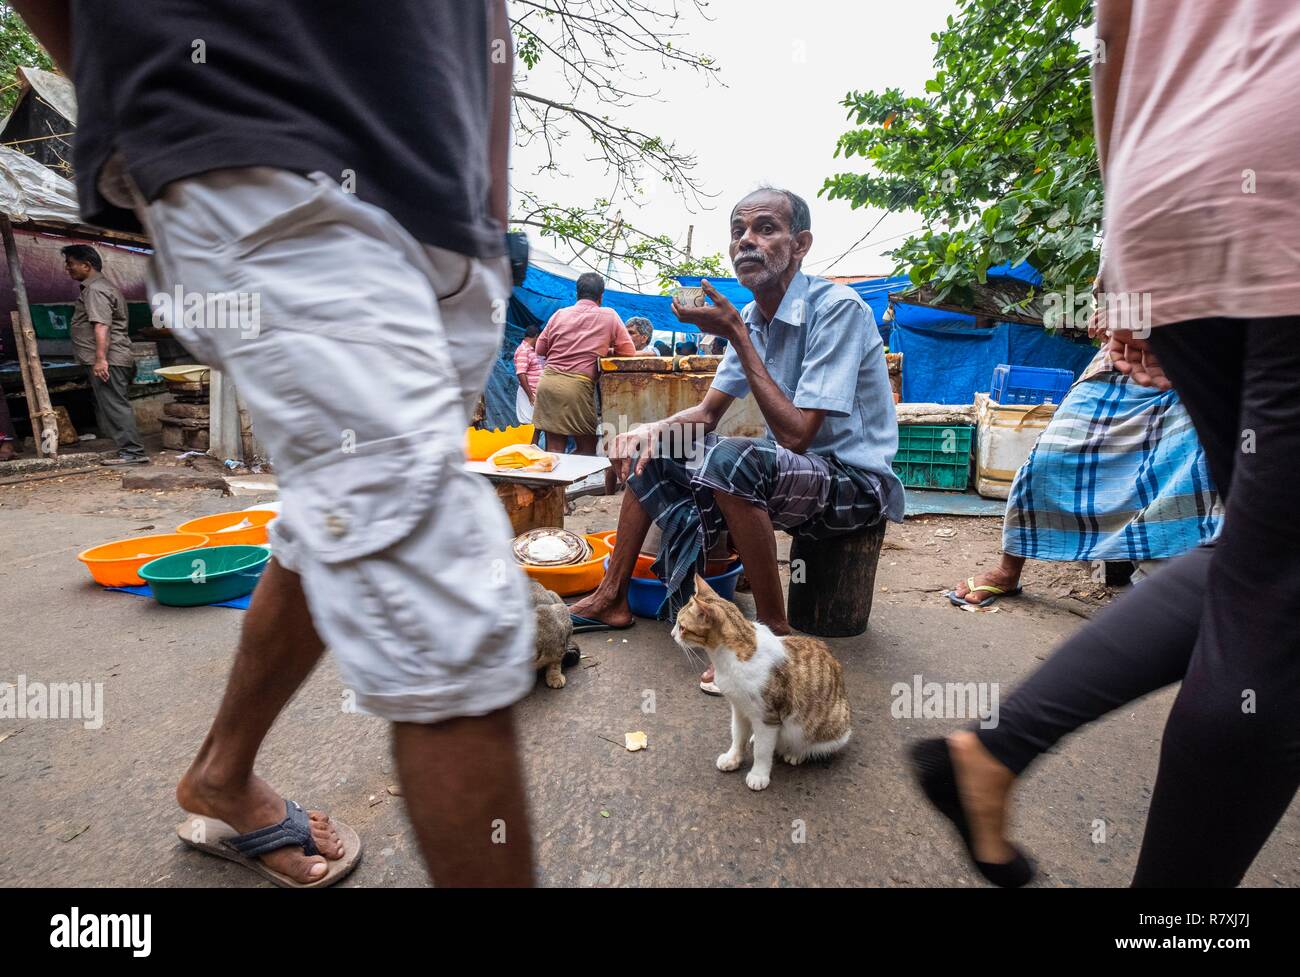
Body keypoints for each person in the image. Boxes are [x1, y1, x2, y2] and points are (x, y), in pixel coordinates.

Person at [18, 0, 535, 886]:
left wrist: (482, 215)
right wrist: (148, 110)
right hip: (261, 149)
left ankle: (222, 772)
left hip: (441, 219)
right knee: (448, 594)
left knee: (337, 515)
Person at [911, 0, 1300, 888]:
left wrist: (1125, 246)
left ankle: (992, 751)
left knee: (1256, 555)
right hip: (1284, 163)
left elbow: (1110, 37)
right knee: (1276, 599)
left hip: (1170, 186)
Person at [568, 187, 906, 693]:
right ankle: (612, 596)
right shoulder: (750, 318)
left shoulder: (838, 309)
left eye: (766, 229)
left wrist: (737, 336)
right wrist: (646, 432)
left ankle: (771, 637)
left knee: (732, 458)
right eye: (738, 232)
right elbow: (707, 413)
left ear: (800, 244)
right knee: (663, 450)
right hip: (796, 476)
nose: (747, 241)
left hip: (854, 483)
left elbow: (796, 436)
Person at [949, 348, 1221, 607]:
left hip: (1197, 376)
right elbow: (1115, 311)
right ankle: (1007, 572)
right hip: (1118, 369)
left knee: (1186, 475)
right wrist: (1110, 314)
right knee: (1048, 460)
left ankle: (1156, 596)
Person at [532, 271, 636, 456]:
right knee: (587, 450)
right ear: (601, 295)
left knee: (554, 450)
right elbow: (629, 352)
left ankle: (556, 485)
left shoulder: (559, 314)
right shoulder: (609, 316)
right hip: (576, 387)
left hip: (547, 383)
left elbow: (540, 349)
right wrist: (606, 351)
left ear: (577, 293)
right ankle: (563, 483)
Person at [62, 244, 148, 465]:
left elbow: (102, 326)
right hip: (112, 357)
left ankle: (132, 452)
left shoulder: (96, 290)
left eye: (70, 263)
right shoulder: (99, 287)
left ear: (86, 265)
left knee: (114, 403)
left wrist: (101, 359)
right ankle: (128, 450)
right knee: (113, 402)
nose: (67, 268)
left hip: (109, 359)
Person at [513, 323, 543, 424]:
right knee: (529, 425)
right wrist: (530, 395)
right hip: (528, 395)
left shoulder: (532, 350)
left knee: (537, 425)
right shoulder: (523, 350)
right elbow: (521, 373)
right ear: (536, 336)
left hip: (535, 394)